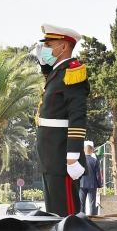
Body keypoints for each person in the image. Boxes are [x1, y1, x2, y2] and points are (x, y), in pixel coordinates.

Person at [34, 24, 89, 216]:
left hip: (61, 155)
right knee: (54, 213)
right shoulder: (56, 73)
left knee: (66, 215)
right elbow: (46, 69)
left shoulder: (72, 73)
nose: (45, 48)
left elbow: (77, 116)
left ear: (63, 47)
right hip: (50, 155)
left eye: (49, 44)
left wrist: (73, 156)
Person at [79, 141, 102, 216]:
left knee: (81, 203)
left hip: (81, 184)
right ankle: (92, 218)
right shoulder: (95, 161)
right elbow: (98, 175)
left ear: (84, 150)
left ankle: (81, 218)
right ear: (91, 150)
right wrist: (99, 185)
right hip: (92, 185)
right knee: (92, 202)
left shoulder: (80, 160)